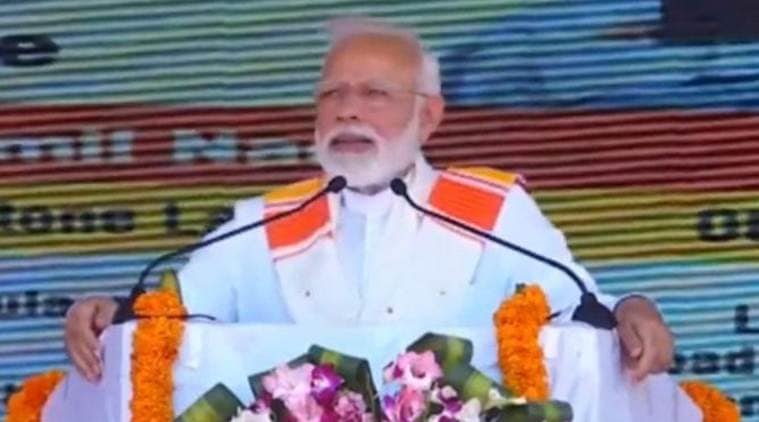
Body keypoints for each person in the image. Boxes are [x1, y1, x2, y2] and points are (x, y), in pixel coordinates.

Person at [64, 17, 673, 386]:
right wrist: (112, 316)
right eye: (333, 94)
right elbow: (168, 320)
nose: (348, 110)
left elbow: (579, 312)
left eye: (375, 93)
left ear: (428, 116)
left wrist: (633, 309)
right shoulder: (261, 222)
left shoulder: (494, 207)